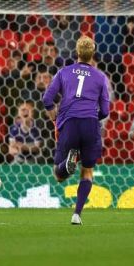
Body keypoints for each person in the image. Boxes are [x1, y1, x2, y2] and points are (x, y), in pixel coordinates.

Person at [42, 36, 110, 225]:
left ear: (77, 53)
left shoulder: (64, 72)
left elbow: (47, 99)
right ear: (92, 54)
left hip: (69, 123)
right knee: (87, 171)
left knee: (58, 175)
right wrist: (90, 118)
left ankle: (68, 163)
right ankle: (77, 214)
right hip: (90, 124)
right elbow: (105, 111)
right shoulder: (100, 77)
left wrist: (55, 117)